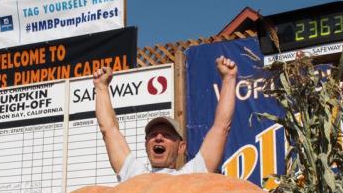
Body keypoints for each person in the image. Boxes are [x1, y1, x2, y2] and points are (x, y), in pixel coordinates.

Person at [92, 56, 237, 182]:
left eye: (167, 135)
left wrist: (229, 79)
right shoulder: (134, 175)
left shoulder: (192, 176)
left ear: (181, 147)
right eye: (153, 135)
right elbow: (109, 130)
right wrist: (101, 87)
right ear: (146, 144)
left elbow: (221, 127)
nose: (159, 138)